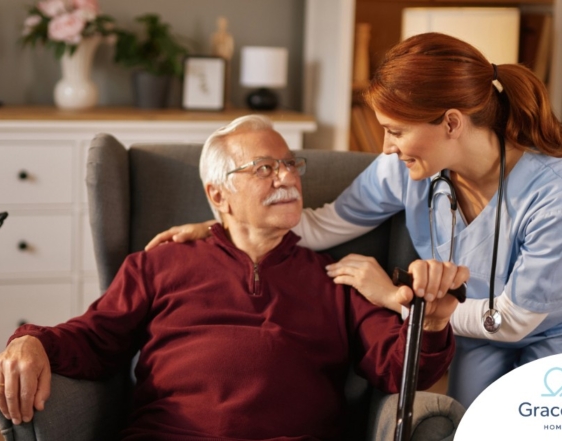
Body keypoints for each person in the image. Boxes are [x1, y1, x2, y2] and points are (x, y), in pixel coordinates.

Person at [145, 32, 562, 409]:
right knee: (475, 427)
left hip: (548, 335)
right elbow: (322, 226)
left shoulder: (551, 193)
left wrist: (394, 298)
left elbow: (514, 319)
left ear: (451, 123)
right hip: (477, 337)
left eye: (396, 131)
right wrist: (225, 226)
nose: (385, 146)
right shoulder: (405, 169)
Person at [0, 114, 461, 440]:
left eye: (290, 164)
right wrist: (30, 342)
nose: (287, 178)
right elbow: (94, 338)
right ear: (219, 194)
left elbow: (399, 368)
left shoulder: (337, 278)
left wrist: (434, 322)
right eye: (264, 168)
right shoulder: (158, 264)